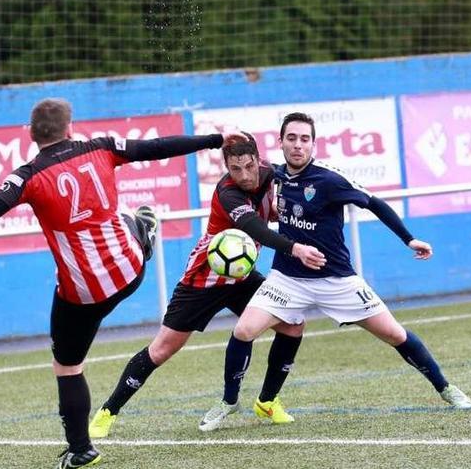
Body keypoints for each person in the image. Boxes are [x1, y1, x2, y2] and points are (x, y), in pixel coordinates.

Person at [0, 98, 249, 468]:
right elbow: (157, 147)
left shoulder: (27, 176)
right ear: (71, 128)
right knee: (122, 224)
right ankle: (142, 231)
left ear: (31, 135)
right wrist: (216, 139)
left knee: (68, 367)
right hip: (130, 269)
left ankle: (81, 449)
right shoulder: (100, 147)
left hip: (83, 292)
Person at [202, 112, 471, 431]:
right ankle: (229, 402)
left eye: (304, 139)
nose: (298, 145)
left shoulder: (329, 179)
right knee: (244, 330)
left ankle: (445, 388)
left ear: (313, 144)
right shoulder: (274, 175)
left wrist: (409, 238)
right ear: (281, 142)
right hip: (287, 278)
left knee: (394, 334)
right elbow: (244, 181)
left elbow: (374, 204)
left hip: (337, 280)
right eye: (292, 138)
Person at [87, 135, 326, 437]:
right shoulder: (227, 193)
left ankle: (267, 400)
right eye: (235, 169)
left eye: (249, 166)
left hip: (241, 276)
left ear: (258, 160)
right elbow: (258, 230)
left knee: (293, 325)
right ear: (226, 167)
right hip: (205, 277)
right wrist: (295, 248)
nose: (244, 175)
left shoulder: (273, 174)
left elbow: (284, 206)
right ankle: (108, 411)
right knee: (161, 350)